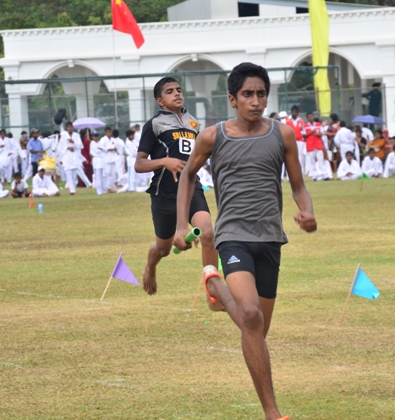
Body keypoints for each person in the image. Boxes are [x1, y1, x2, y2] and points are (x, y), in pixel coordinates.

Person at [174, 62, 316, 420]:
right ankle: (273, 413)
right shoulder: (213, 137)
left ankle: (216, 287)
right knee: (250, 315)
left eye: (261, 94)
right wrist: (180, 224)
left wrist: (307, 211)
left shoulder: (282, 135)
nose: (255, 101)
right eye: (248, 94)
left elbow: (298, 185)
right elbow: (187, 176)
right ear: (233, 99)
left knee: (257, 330)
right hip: (232, 237)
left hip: (270, 238)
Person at [135, 76, 218, 301]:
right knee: (163, 249)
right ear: (160, 101)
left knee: (208, 233)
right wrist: (164, 161)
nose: (177, 93)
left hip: (192, 189)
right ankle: (151, 266)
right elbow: (139, 164)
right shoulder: (154, 124)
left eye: (179, 89)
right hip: (164, 194)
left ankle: (214, 290)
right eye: (170, 91)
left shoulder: (193, 123)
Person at [56, 122, 84, 195]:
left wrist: (73, 143)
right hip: (67, 156)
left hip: (74, 156)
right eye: (68, 127)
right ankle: (72, 191)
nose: (70, 128)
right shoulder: (63, 136)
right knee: (68, 174)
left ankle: (73, 190)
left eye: (71, 126)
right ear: (66, 128)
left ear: (73, 127)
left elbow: (80, 146)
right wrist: (67, 148)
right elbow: (60, 147)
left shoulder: (77, 135)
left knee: (74, 175)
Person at [283, 105, 306, 175]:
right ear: (291, 112)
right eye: (294, 112)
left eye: (297, 112)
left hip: (300, 141)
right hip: (290, 141)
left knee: (300, 157)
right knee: (290, 157)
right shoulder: (286, 120)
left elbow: (304, 132)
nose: (295, 113)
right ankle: (289, 175)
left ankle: (300, 173)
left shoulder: (301, 120)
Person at [302, 112, 324, 177]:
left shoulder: (318, 124)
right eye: (309, 117)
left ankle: (322, 173)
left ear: (313, 117)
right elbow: (304, 135)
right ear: (307, 118)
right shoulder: (305, 126)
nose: (310, 118)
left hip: (318, 144)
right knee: (312, 160)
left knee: (320, 159)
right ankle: (314, 174)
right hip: (310, 145)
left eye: (311, 116)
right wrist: (311, 132)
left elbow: (322, 133)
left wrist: (318, 134)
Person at [99, 127, 119, 192]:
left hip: (113, 158)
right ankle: (107, 188)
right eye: (108, 132)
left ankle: (112, 187)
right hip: (106, 158)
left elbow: (116, 147)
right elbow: (100, 147)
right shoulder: (103, 139)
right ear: (105, 133)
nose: (109, 133)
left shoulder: (113, 139)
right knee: (107, 173)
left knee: (113, 173)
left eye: (110, 132)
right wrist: (108, 149)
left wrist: (115, 149)